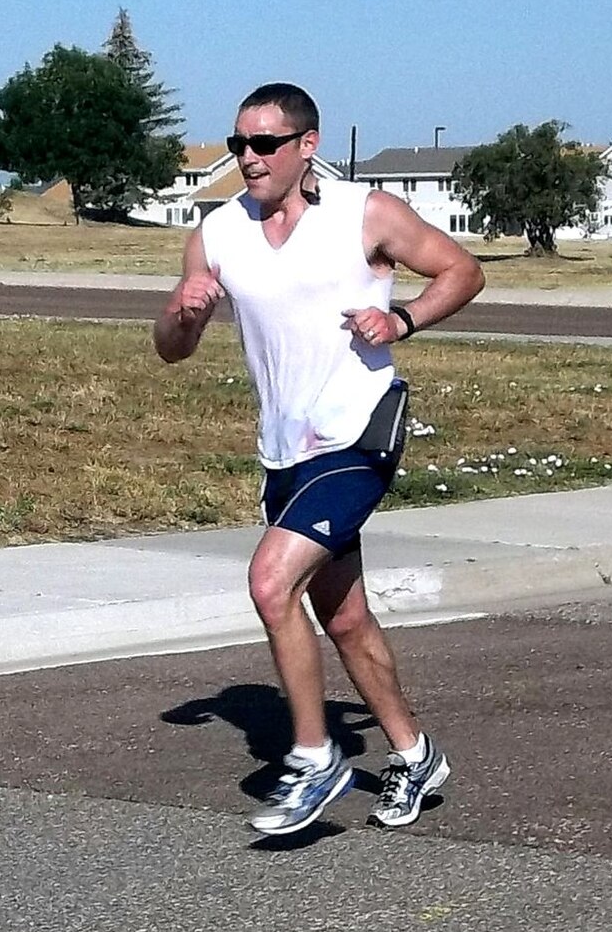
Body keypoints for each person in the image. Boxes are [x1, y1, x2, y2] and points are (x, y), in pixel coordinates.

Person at [154, 83, 485, 835]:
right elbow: (172, 350)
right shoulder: (217, 234)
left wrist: (402, 317)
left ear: (307, 146)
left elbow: (463, 271)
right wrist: (182, 314)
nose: (248, 158)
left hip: (358, 435)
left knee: (271, 582)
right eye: (239, 143)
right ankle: (414, 753)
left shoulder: (363, 214)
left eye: (264, 144)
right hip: (286, 451)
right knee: (345, 618)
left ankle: (314, 756)